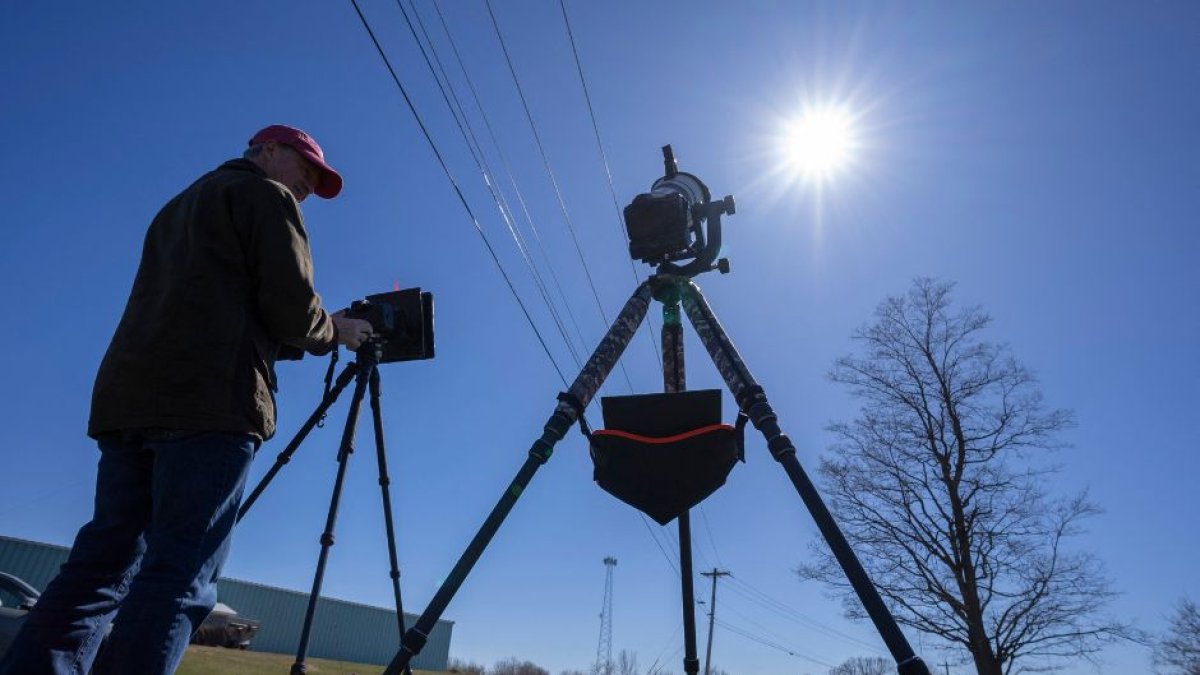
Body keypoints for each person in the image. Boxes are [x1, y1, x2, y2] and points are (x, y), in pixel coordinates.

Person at [0, 125, 375, 675]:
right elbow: (292, 308)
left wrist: (305, 335)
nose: (308, 187)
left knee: (98, 568)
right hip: (209, 405)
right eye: (306, 169)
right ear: (267, 150)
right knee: (179, 574)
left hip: (129, 401)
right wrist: (333, 331)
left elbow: (216, 306)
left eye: (317, 181)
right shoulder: (266, 196)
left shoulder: (181, 204)